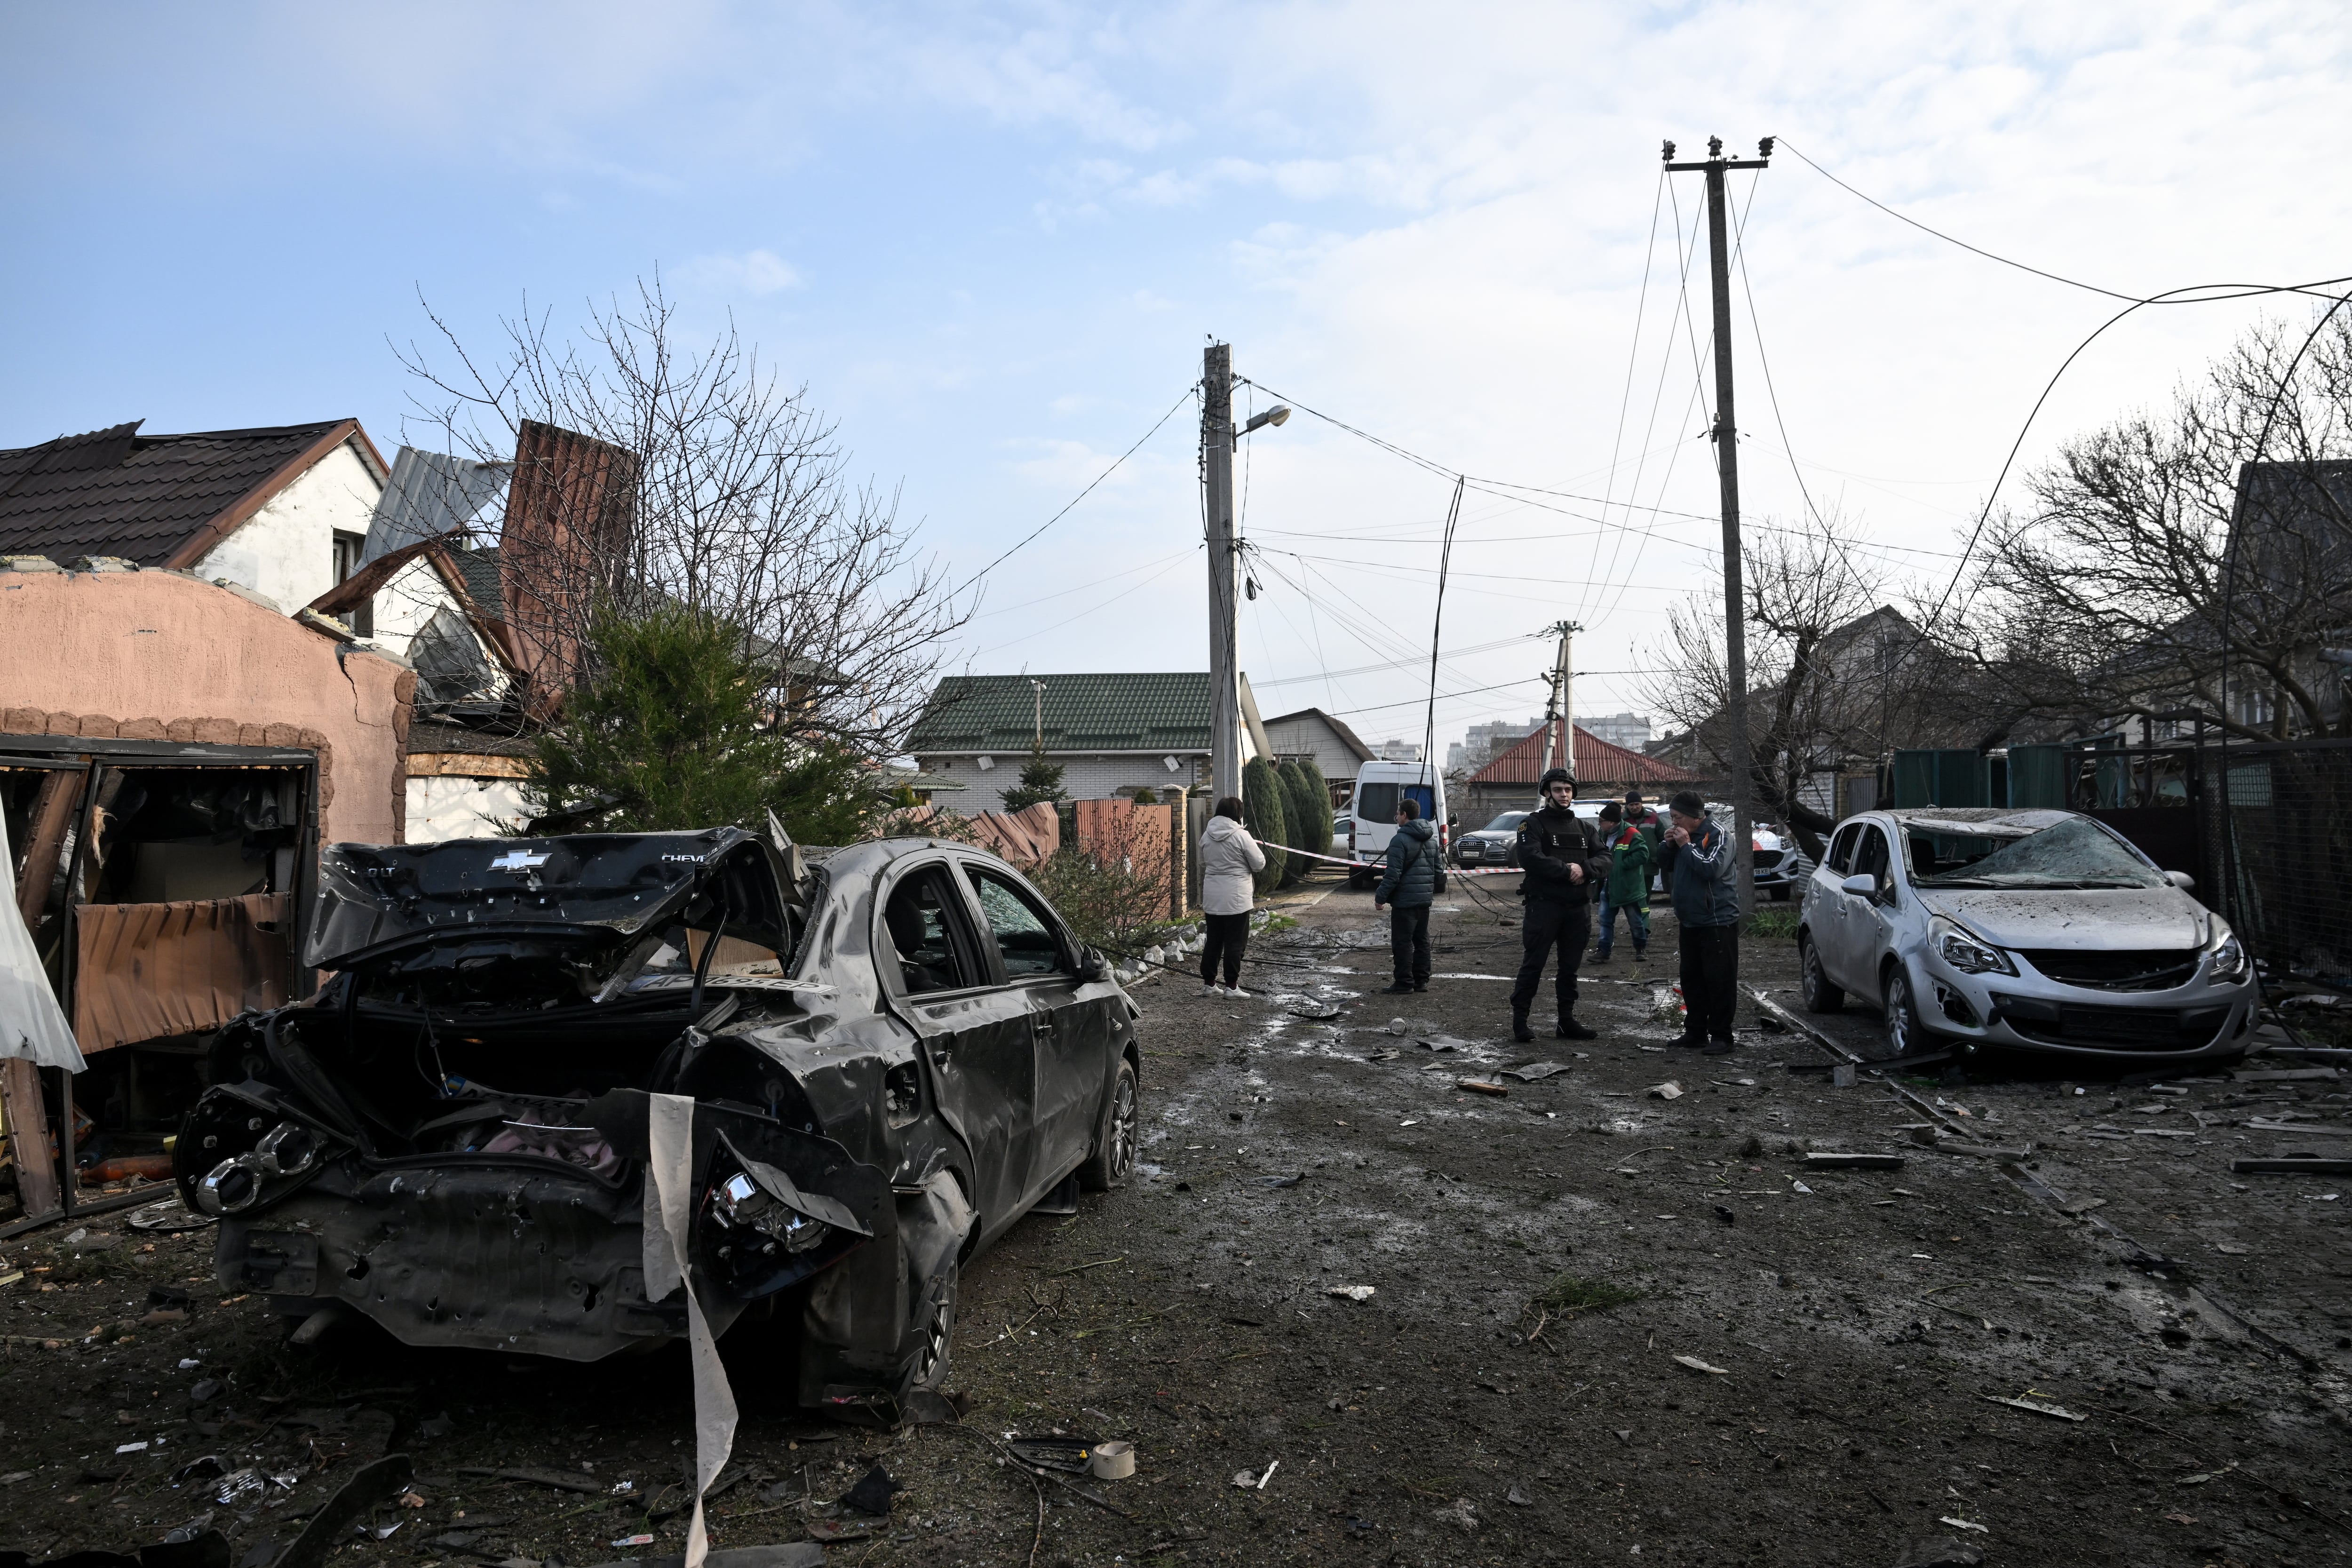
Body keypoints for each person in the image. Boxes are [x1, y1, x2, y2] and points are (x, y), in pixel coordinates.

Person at [1509, 767, 1612, 1043]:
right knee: (1534, 965)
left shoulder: (1585, 828)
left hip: (1577, 909)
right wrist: (1567, 871)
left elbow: (1606, 857)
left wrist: (1585, 868)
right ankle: (1521, 1022)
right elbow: (1530, 857)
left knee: (1570, 968)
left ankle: (1566, 1022)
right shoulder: (1532, 824)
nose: (1564, 794)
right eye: (1558, 789)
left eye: (1568, 789)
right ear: (1547, 792)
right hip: (1544, 908)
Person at [1655, 789, 1739, 1054]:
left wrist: (1685, 846)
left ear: (1694, 817)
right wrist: (1668, 845)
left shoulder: (1718, 834)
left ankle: (1723, 1037)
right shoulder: (1684, 836)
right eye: (1671, 817)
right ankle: (1695, 1032)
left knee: (1719, 980)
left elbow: (1710, 869)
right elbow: (1665, 865)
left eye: (1677, 817)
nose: (1674, 823)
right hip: (1690, 920)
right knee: (1691, 979)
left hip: (1717, 920)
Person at [1197, 795, 1266, 997]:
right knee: (1235, 943)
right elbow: (1259, 864)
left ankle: (1209, 984)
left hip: (1212, 896)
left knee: (1214, 941)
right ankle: (1232, 987)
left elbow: (1203, 862)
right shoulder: (1242, 836)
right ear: (1238, 814)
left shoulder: (1206, 835)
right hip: (1237, 898)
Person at [1372, 797, 1439, 994]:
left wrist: (1380, 897)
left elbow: (1393, 875)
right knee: (1422, 941)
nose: (1397, 817)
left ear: (1404, 815)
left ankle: (1404, 983)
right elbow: (1439, 872)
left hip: (1404, 902)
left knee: (1402, 943)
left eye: (1398, 814)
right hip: (1424, 901)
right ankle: (1421, 982)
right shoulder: (1432, 841)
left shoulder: (1399, 840)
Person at [1591, 802, 1654, 964]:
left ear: (1612, 822)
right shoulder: (1602, 834)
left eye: (1602, 821)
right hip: (1609, 885)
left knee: (1635, 921)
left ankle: (1641, 948)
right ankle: (1603, 951)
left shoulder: (1632, 834)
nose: (1600, 824)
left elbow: (1642, 855)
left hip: (1628, 887)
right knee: (1605, 920)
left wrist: (1620, 866)